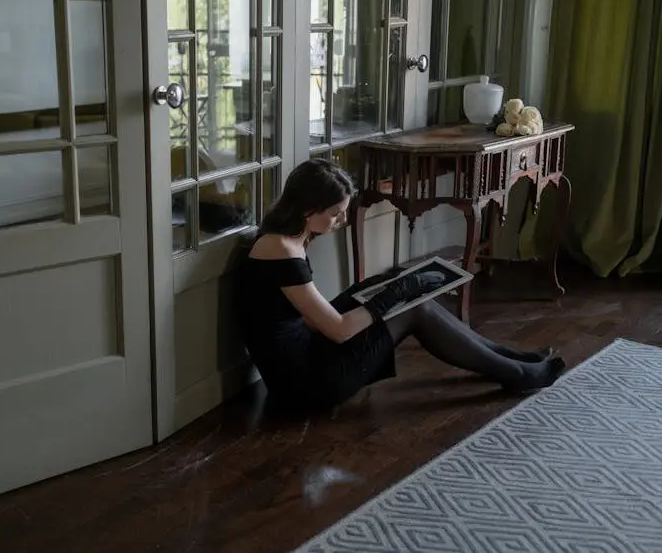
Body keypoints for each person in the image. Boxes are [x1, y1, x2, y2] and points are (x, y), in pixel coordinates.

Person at [236, 158, 566, 413]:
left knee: (403, 292)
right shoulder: (281, 250)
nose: (342, 221)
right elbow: (336, 329)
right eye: (336, 214)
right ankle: (518, 374)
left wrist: (385, 287)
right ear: (308, 209)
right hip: (306, 384)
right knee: (414, 307)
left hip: (306, 356)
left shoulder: (284, 238)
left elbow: (309, 317)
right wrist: (395, 295)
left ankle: (511, 358)